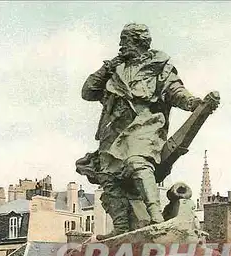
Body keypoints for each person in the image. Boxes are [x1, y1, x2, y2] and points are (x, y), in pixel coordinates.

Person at [80, 23, 203, 239]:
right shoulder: (114, 70)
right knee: (108, 177)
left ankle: (156, 216)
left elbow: (175, 90)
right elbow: (88, 91)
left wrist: (192, 102)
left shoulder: (158, 67)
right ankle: (121, 228)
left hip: (144, 126)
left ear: (137, 42)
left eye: (124, 40)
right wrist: (106, 68)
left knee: (137, 161)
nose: (120, 45)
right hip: (114, 132)